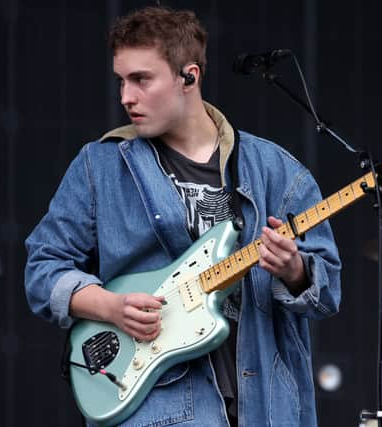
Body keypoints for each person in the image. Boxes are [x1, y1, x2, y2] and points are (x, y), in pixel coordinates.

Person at [25, 6, 341, 427]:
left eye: (141, 79)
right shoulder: (98, 166)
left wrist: (294, 268)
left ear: (188, 76)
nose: (125, 97)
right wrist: (111, 307)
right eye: (121, 80)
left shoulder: (277, 171)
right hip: (155, 409)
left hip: (265, 407)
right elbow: (43, 269)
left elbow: (328, 292)